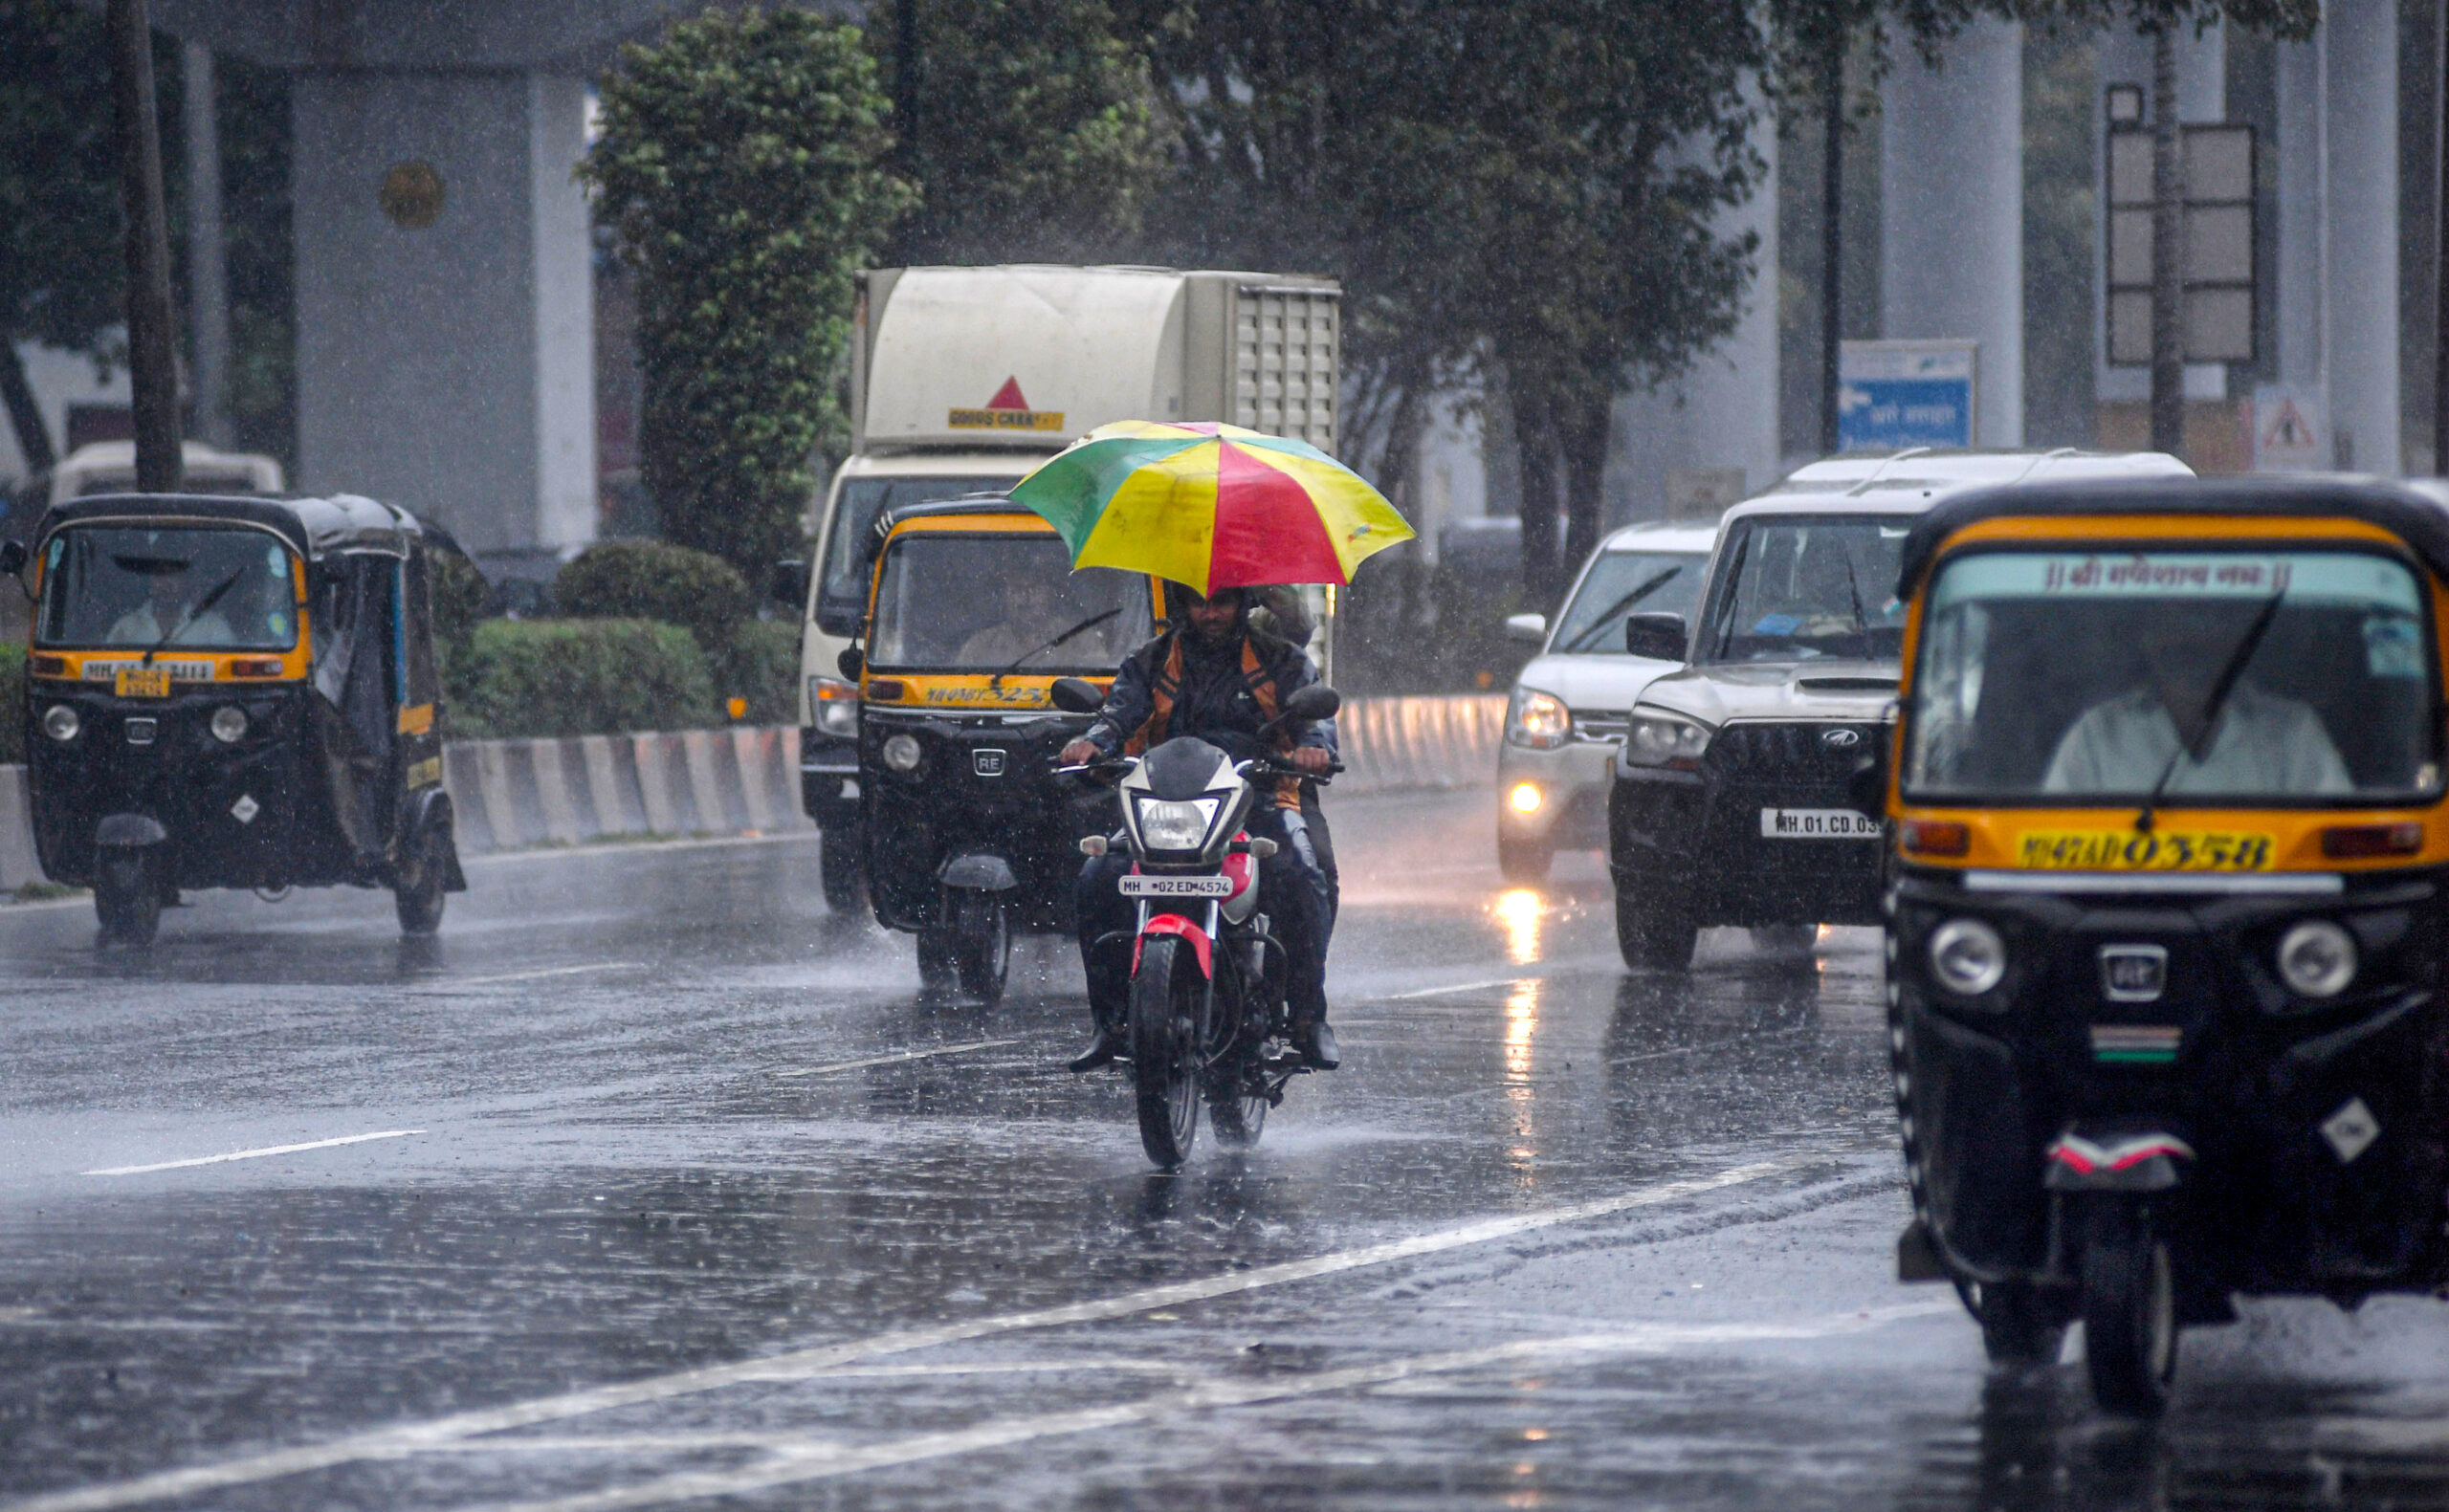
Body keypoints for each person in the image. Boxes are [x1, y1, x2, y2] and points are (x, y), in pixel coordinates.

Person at [1060, 582, 1340, 1072]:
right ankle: (1109, 1022)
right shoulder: (1149, 660)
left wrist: (1313, 747)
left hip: (1260, 796)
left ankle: (1307, 1019)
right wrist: (1092, 742)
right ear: (1181, 605)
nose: (1210, 613)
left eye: (1222, 601)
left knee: (1304, 875)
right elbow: (1117, 713)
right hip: (1168, 804)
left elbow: (1314, 722)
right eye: (1199, 601)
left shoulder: (1281, 659)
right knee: (1097, 878)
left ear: (1244, 603)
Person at [2042, 605, 2351, 797]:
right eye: (2170, 625)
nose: (2186, 640)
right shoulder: (2097, 734)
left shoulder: (2292, 731)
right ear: (2145, 640)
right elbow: (2049, 843)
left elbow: (2332, 838)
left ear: (2232, 637)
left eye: (2201, 624)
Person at [107, 563, 233, 646]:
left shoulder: (213, 628)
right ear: (150, 582)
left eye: (174, 575)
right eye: (160, 575)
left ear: (186, 582)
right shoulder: (126, 628)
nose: (166, 584)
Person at [956, 572, 1064, 666]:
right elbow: (958, 685)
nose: (1026, 598)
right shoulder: (979, 647)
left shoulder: (1074, 640)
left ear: (1051, 594)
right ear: (1005, 596)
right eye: (1017, 589)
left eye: (1035, 589)